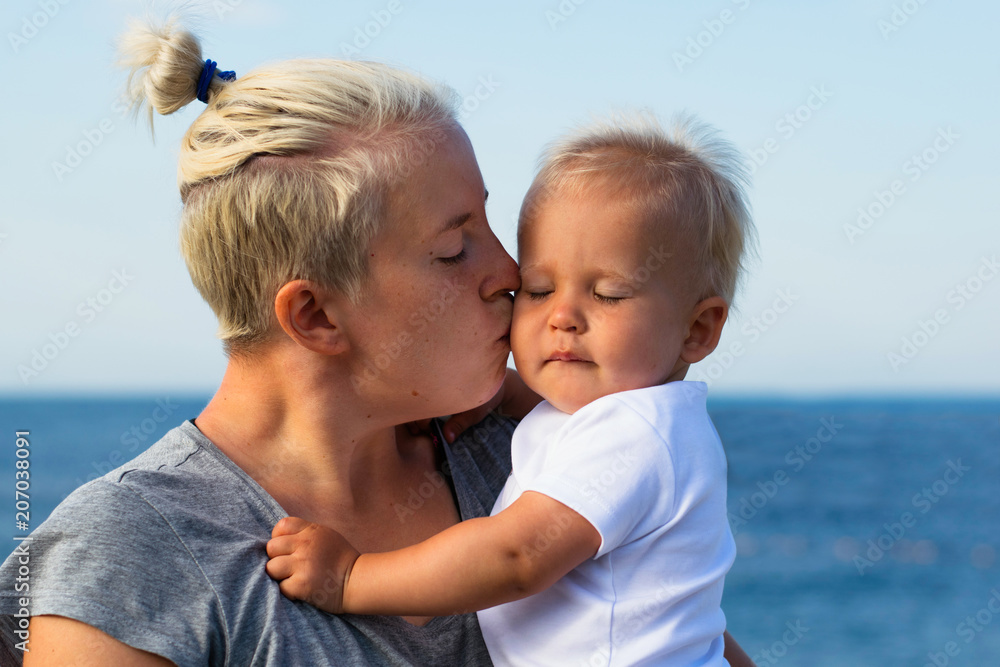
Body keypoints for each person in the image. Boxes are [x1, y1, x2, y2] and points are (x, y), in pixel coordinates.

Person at [0, 16, 756, 667]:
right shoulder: (136, 553)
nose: (509, 273)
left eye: (491, 223)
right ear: (317, 317)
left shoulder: (528, 445)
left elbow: (678, 633)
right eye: (455, 249)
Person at [265, 112, 754, 666]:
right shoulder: (626, 415)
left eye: (610, 294)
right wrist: (505, 395)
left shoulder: (635, 434)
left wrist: (352, 578)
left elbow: (517, 556)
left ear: (698, 329)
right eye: (539, 289)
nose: (563, 317)